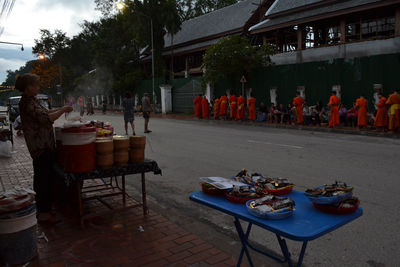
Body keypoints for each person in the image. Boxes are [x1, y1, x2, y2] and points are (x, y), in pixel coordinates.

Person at [16, 73, 73, 223]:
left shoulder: (33, 101)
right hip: (39, 147)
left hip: (45, 146)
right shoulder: (26, 103)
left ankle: (47, 208)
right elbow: (46, 118)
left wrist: (63, 108)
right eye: (36, 85)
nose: (38, 87)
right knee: (43, 180)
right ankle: (44, 213)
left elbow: (47, 112)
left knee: (47, 178)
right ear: (29, 87)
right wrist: (62, 111)